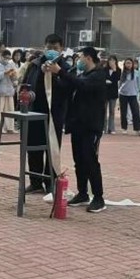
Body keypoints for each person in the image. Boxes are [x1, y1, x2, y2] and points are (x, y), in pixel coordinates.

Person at [48, 47, 107, 213]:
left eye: (80, 57)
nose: (78, 60)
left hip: (91, 126)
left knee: (90, 160)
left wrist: (61, 71)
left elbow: (83, 85)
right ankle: (82, 193)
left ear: (88, 58)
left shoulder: (98, 75)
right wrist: (53, 74)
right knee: (79, 160)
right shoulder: (82, 74)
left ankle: (98, 197)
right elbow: (68, 85)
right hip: (77, 124)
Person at [21, 34, 70, 194]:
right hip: (35, 111)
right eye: (49, 47)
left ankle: (50, 182)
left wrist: (56, 74)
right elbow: (26, 84)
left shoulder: (65, 68)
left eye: (55, 48)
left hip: (55, 114)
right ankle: (35, 181)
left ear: (61, 49)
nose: (51, 51)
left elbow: (68, 88)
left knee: (52, 148)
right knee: (33, 146)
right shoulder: (35, 64)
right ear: (44, 47)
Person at [119, 58, 140, 136]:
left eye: (130, 63)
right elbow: (120, 84)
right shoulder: (122, 73)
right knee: (123, 112)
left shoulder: (137, 73)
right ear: (124, 64)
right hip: (123, 94)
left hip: (133, 95)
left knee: (136, 112)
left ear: (132, 64)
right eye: (127, 63)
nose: (128, 65)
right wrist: (119, 90)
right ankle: (124, 128)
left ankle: (138, 129)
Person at [0, 49, 18, 134]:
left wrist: (13, 75)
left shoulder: (11, 64)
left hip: (9, 90)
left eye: (8, 58)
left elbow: (15, 78)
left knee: (10, 109)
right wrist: (4, 73)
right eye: (5, 58)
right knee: (0, 110)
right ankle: (1, 128)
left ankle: (10, 127)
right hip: (0, 90)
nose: (7, 60)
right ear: (1, 56)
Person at [104, 55, 121, 134]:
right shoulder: (104, 69)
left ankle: (111, 128)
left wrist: (114, 71)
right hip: (105, 92)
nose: (111, 62)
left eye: (113, 60)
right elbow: (104, 78)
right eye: (110, 60)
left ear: (116, 62)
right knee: (104, 111)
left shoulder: (118, 70)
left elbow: (117, 79)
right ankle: (104, 128)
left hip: (113, 93)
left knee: (112, 111)